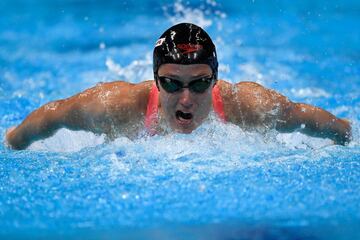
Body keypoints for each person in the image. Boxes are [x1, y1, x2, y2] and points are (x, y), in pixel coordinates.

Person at [5, 23, 351, 150]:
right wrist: (10, 143)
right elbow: (52, 117)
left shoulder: (248, 105)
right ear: (156, 80)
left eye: (200, 84)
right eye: (171, 83)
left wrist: (350, 135)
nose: (186, 99)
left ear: (215, 79)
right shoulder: (115, 105)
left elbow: (322, 123)